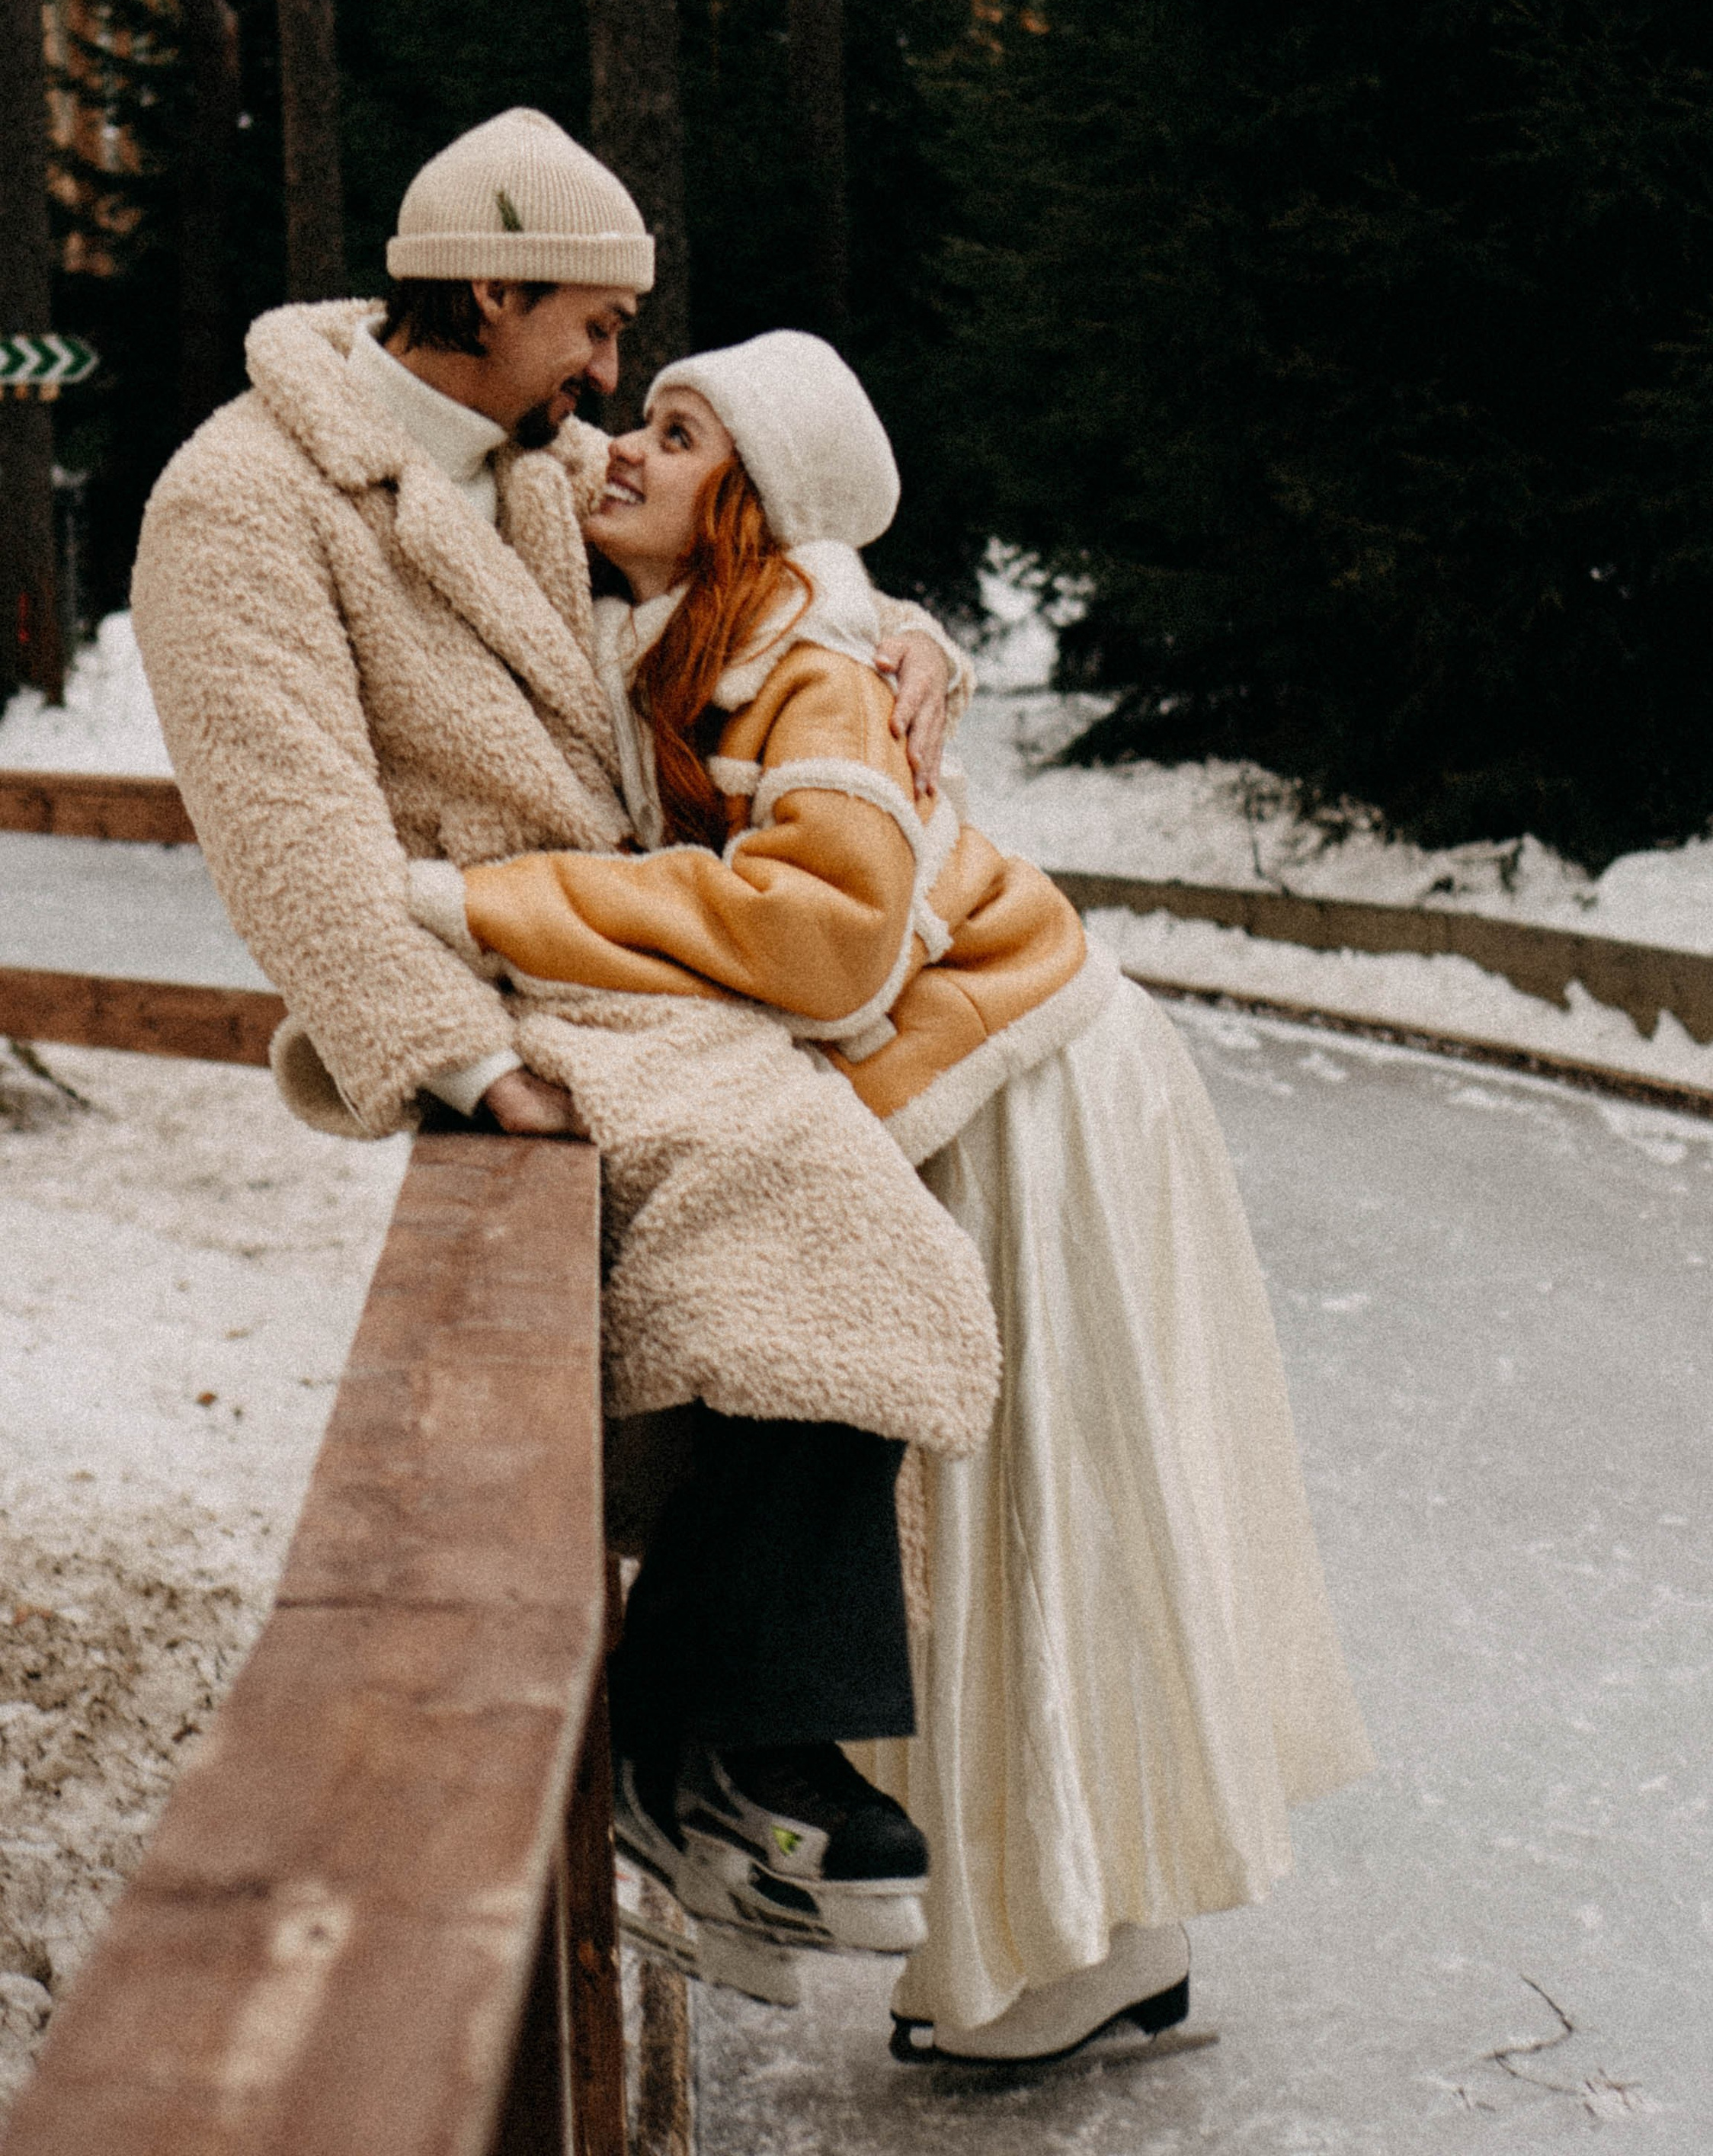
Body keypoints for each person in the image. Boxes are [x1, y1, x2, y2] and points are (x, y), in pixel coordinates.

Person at [409, 328, 1375, 2067]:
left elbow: (827, 936)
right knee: (1008, 1514)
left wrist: (495, 905)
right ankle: (1076, 1935)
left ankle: (1072, 1948)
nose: (620, 445)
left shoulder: (803, 657)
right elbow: (470, 437)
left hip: (1032, 1086)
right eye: (633, 410)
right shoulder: (705, 605)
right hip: (978, 1065)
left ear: (748, 515)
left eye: (676, 433)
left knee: (1034, 1519)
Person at [130, 111, 996, 1986]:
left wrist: (907, 640)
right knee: (814, 1200)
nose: (617, 384)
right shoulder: (245, 500)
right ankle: (722, 1748)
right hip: (493, 980)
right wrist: (461, 1067)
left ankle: (720, 1748)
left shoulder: (532, 461)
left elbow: (748, 562)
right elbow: (292, 833)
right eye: (595, 331)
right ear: (498, 288)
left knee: (848, 1227)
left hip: (618, 954)